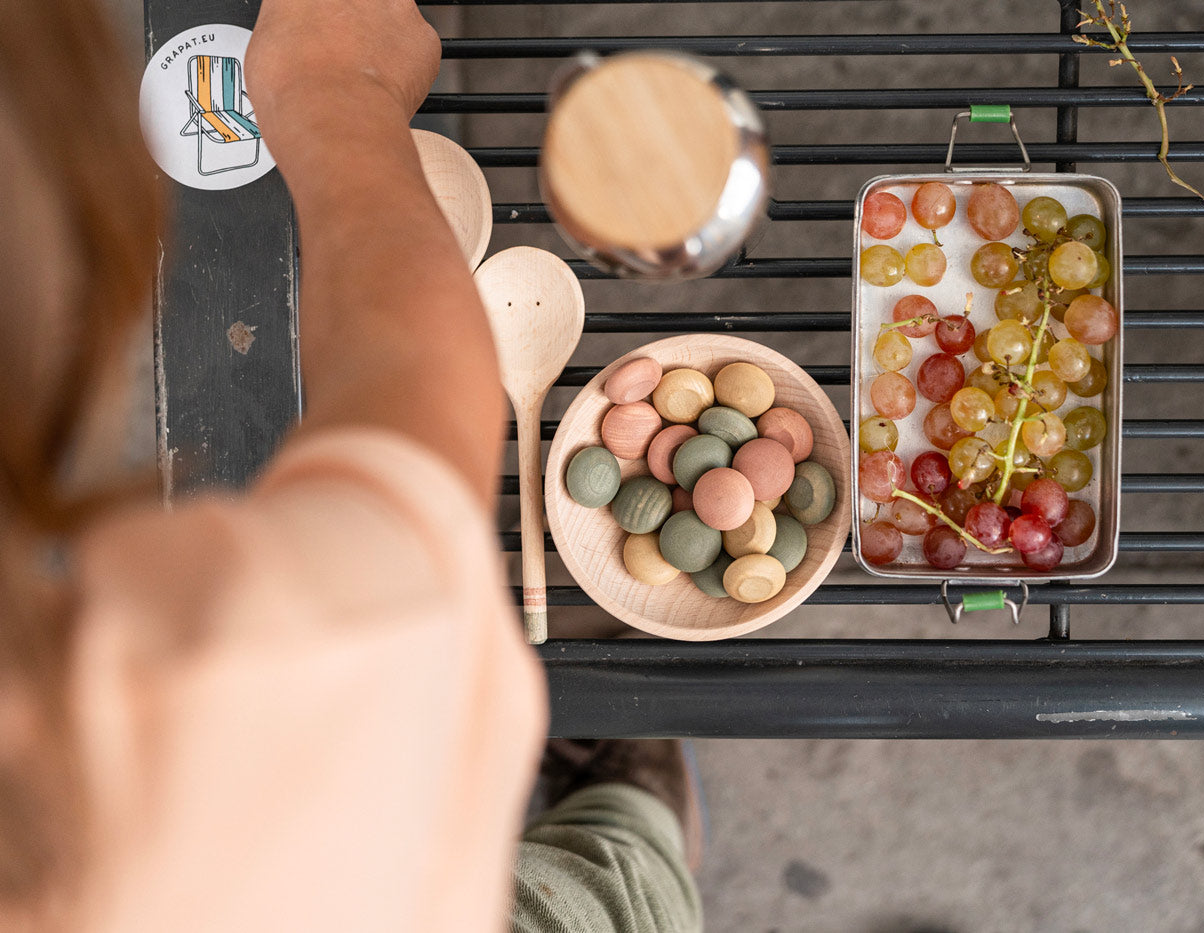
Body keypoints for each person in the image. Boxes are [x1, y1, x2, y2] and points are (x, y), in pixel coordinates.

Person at [0, 0, 700, 929]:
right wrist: (335, 89)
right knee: (609, 894)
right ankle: (634, 822)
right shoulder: (220, 692)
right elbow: (412, 388)